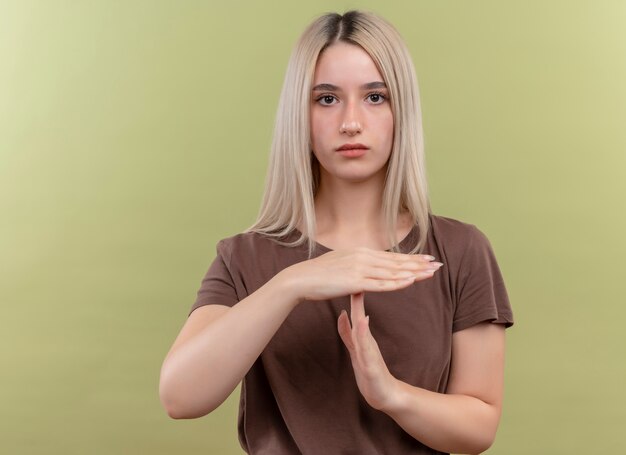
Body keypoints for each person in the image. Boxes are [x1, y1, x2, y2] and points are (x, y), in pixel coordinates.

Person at [159, 10, 514, 455]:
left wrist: (390, 395)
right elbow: (180, 397)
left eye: (375, 97)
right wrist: (292, 283)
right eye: (327, 99)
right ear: (300, 114)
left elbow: (479, 426)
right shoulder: (245, 258)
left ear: (400, 109)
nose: (351, 122)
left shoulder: (460, 251)